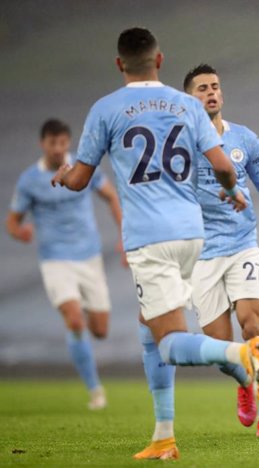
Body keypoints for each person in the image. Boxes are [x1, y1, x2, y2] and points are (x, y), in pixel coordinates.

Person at [51, 27, 259, 459]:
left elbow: (79, 179)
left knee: (170, 340)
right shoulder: (187, 105)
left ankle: (245, 357)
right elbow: (224, 167)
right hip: (193, 233)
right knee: (147, 327)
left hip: (150, 239)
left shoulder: (106, 109)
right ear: (160, 60)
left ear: (120, 64)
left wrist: (62, 174)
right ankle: (163, 435)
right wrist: (231, 189)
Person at [181, 63, 259, 437]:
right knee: (219, 346)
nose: (211, 92)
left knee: (253, 325)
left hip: (242, 245)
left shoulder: (244, 138)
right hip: (201, 253)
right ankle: (244, 382)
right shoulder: (181, 144)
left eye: (215, 86)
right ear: (189, 99)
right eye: (202, 88)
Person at [6, 118, 123, 410]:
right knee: (73, 319)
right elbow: (12, 221)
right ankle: (95, 390)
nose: (58, 149)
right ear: (42, 144)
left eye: (62, 143)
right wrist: (20, 233)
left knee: (100, 330)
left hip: (89, 256)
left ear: (68, 143)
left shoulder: (84, 169)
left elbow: (111, 197)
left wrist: (124, 236)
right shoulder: (29, 180)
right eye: (52, 143)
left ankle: (81, 309)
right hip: (55, 259)